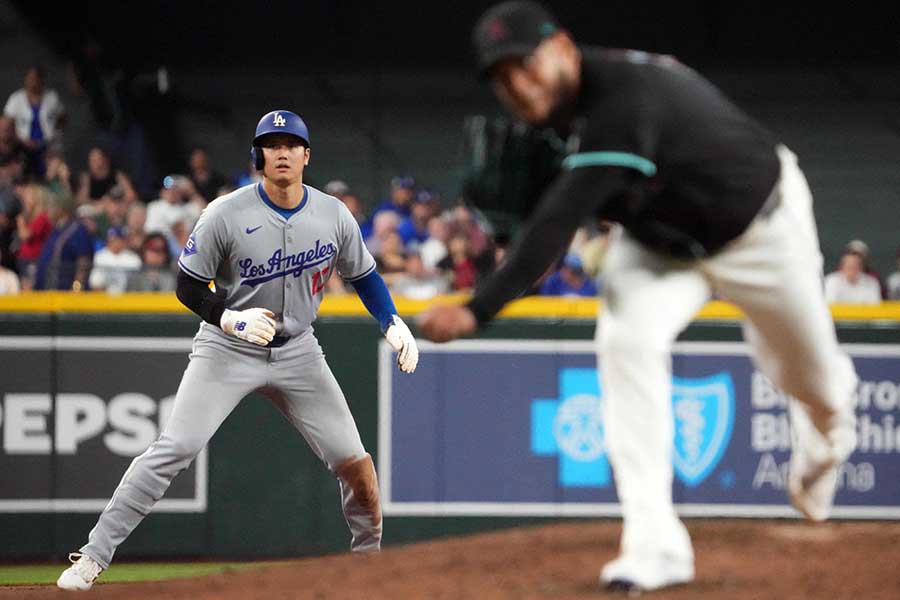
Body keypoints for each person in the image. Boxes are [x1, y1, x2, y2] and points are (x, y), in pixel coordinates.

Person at [418, 2, 858, 593]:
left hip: (761, 231)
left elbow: (557, 222)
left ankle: (824, 447)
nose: (516, 85)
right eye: (500, 78)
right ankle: (655, 547)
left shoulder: (623, 99)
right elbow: (556, 205)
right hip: (658, 248)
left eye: (524, 65)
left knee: (817, 384)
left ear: (563, 50)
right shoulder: (551, 121)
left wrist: (478, 307)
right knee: (626, 341)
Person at [57, 109, 419, 590]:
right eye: (273, 144)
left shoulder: (333, 214)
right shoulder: (225, 213)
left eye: (292, 144)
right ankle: (93, 556)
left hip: (299, 352)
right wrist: (227, 316)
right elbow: (187, 284)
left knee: (356, 466)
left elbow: (365, 276)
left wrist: (391, 320)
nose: (283, 151)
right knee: (174, 448)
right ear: (259, 156)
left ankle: (369, 568)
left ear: (306, 156)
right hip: (227, 347)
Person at [3, 65, 66, 173]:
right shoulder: (16, 99)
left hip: (48, 146)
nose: (33, 82)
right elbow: (6, 125)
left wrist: (53, 133)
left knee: (52, 174)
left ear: (41, 80)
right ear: (25, 79)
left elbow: (62, 119)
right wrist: (20, 140)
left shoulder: (52, 97)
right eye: (30, 78)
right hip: (23, 146)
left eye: (35, 78)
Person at [88, 226, 142, 294]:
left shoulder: (133, 258)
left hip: (127, 298)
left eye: (118, 239)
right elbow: (95, 283)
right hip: (104, 298)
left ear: (124, 241)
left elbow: (137, 284)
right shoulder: (100, 256)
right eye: (113, 239)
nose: (116, 242)